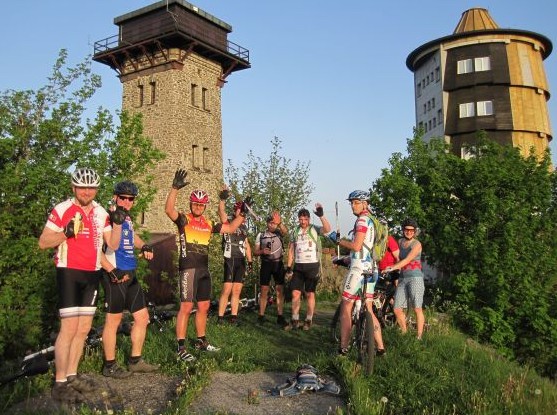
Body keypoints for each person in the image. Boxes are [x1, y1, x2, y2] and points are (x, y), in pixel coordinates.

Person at [38, 168, 123, 403]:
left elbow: (113, 245)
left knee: (84, 329)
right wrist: (65, 233)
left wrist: (117, 224)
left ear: (96, 189)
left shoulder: (101, 212)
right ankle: (59, 383)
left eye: (91, 188)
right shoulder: (62, 209)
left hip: (92, 273)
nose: (86, 192)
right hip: (69, 271)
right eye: (82, 187)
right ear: (73, 187)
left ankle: (72, 376)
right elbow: (43, 242)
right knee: (68, 329)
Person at [165, 168, 249, 362]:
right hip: (188, 269)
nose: (198, 207)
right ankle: (181, 348)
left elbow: (230, 228)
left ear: (204, 206)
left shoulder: (209, 224)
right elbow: (169, 210)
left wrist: (243, 213)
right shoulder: (184, 220)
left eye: (201, 205)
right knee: (186, 307)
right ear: (191, 204)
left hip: (204, 270)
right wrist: (175, 188)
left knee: (203, 307)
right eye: (195, 204)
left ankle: (201, 341)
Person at [100, 181, 160, 378]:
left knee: (142, 318)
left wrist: (145, 246)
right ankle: (109, 365)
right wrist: (110, 270)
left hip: (131, 272)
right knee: (113, 320)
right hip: (114, 273)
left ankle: (135, 361)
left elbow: (132, 238)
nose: (126, 202)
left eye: (130, 199)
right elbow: (101, 246)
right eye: (123, 198)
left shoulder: (127, 218)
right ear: (115, 197)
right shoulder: (106, 216)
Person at [329, 190, 386, 356]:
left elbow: (356, 246)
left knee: (346, 305)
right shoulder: (373, 221)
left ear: (365, 204)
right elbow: (364, 250)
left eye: (356, 202)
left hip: (359, 269)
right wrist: (345, 259)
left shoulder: (362, 220)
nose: (353, 206)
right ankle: (380, 348)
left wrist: (338, 240)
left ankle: (343, 348)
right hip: (372, 268)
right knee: (368, 308)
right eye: (351, 203)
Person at [284, 204, 332, 331]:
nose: (303, 222)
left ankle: (308, 320)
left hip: (312, 265)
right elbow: (291, 250)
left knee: (310, 294)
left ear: (309, 219)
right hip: (298, 266)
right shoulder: (295, 231)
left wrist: (321, 216)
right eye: (300, 219)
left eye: (305, 219)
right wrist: (289, 267)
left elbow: (327, 229)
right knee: (295, 293)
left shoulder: (314, 229)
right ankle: (295, 320)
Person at [383, 218, 426, 339]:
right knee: (397, 308)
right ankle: (404, 334)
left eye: (412, 230)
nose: (409, 232)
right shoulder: (400, 241)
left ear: (415, 231)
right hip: (402, 277)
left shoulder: (417, 244)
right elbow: (396, 257)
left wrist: (392, 268)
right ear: (403, 230)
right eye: (407, 230)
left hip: (415, 278)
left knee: (417, 308)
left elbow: (407, 260)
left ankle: (419, 337)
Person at [216, 191, 253, 325]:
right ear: (235, 211)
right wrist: (222, 200)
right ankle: (220, 317)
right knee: (227, 289)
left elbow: (247, 245)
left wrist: (250, 262)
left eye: (243, 210)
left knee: (237, 290)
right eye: (240, 209)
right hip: (230, 258)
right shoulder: (228, 222)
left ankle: (233, 317)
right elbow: (221, 212)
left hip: (240, 260)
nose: (242, 212)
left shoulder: (244, 227)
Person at [253, 211, 288, 326]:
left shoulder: (279, 233)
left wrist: (280, 223)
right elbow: (255, 252)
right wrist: (262, 251)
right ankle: (261, 316)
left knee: (279, 290)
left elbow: (286, 232)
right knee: (264, 290)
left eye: (274, 223)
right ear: (267, 223)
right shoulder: (261, 235)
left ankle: (280, 316)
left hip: (278, 264)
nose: (272, 225)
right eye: (270, 223)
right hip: (266, 264)